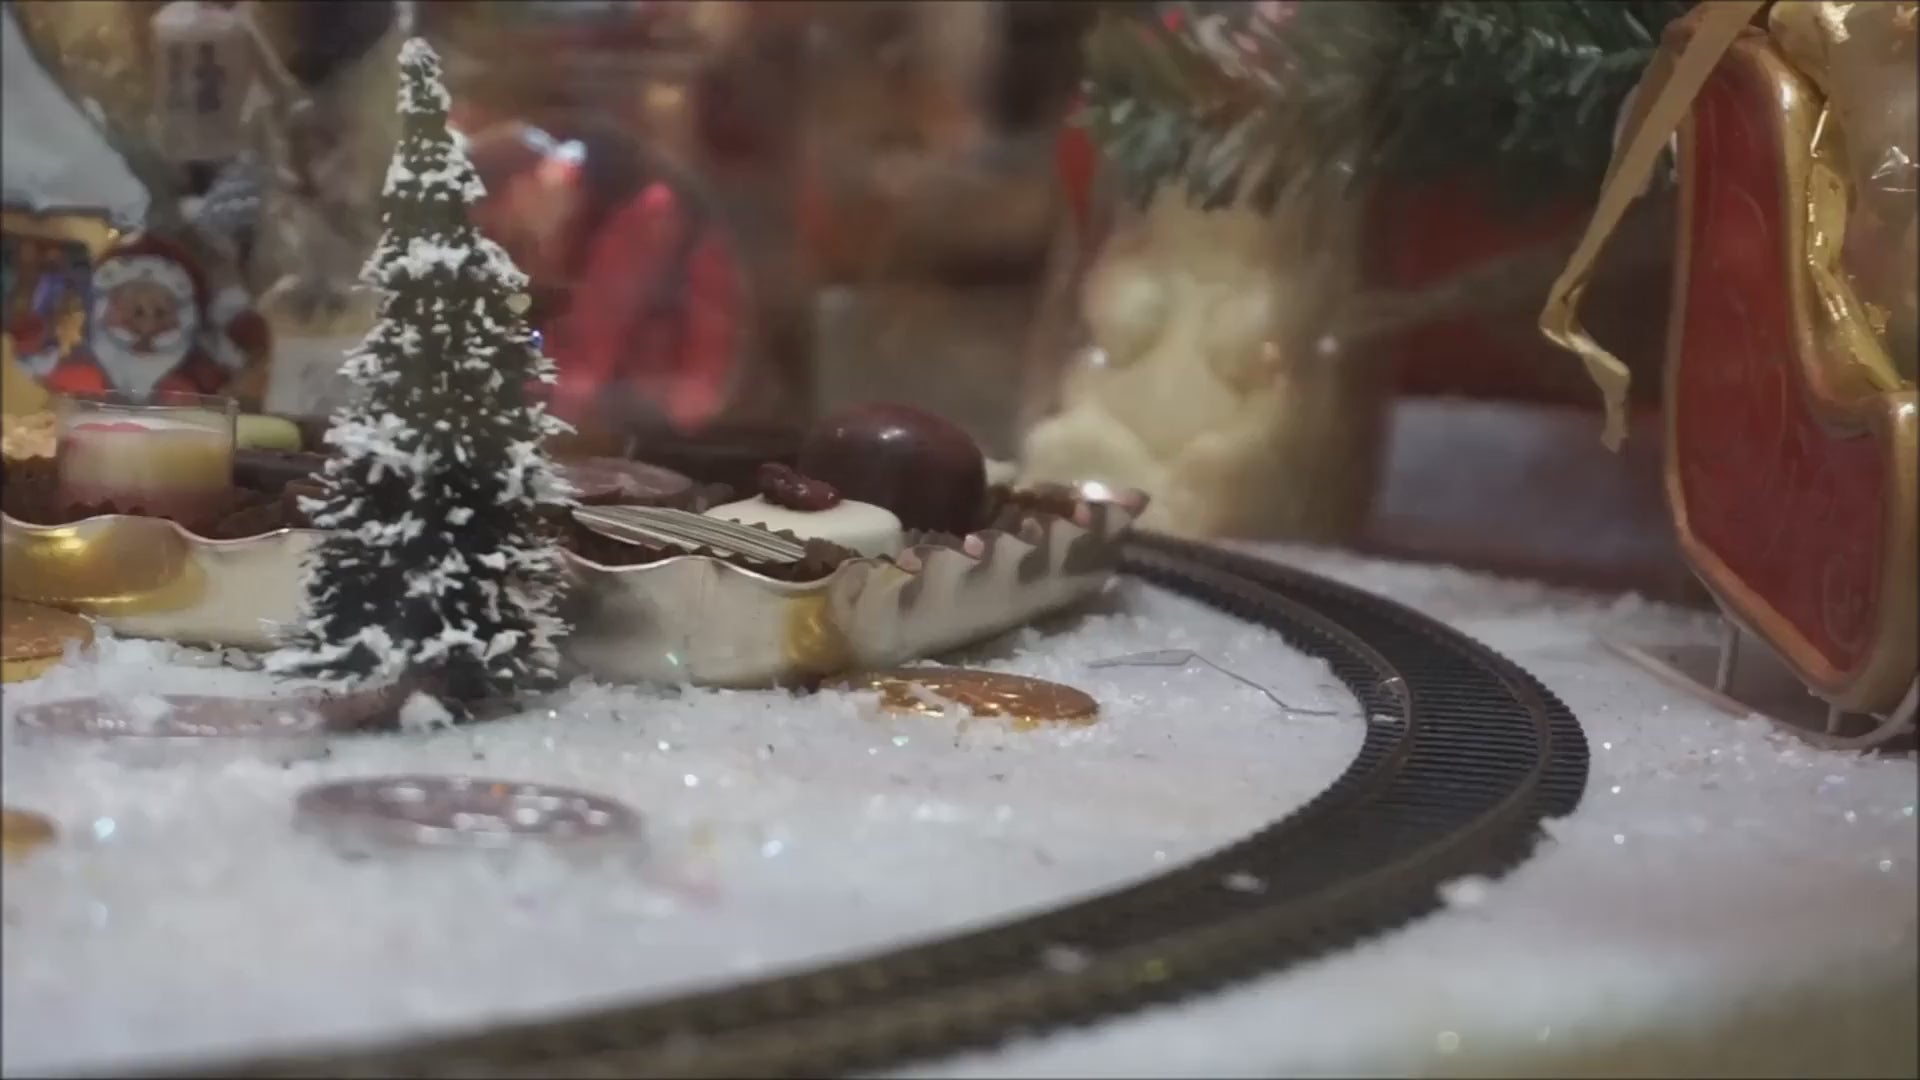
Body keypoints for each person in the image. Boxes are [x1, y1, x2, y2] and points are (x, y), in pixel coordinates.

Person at [467, 121, 742, 445]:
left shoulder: (644, 209)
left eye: (508, 224)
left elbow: (591, 355)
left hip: (680, 421)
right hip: (643, 407)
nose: (511, 240)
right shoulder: (587, 202)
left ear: (523, 188)